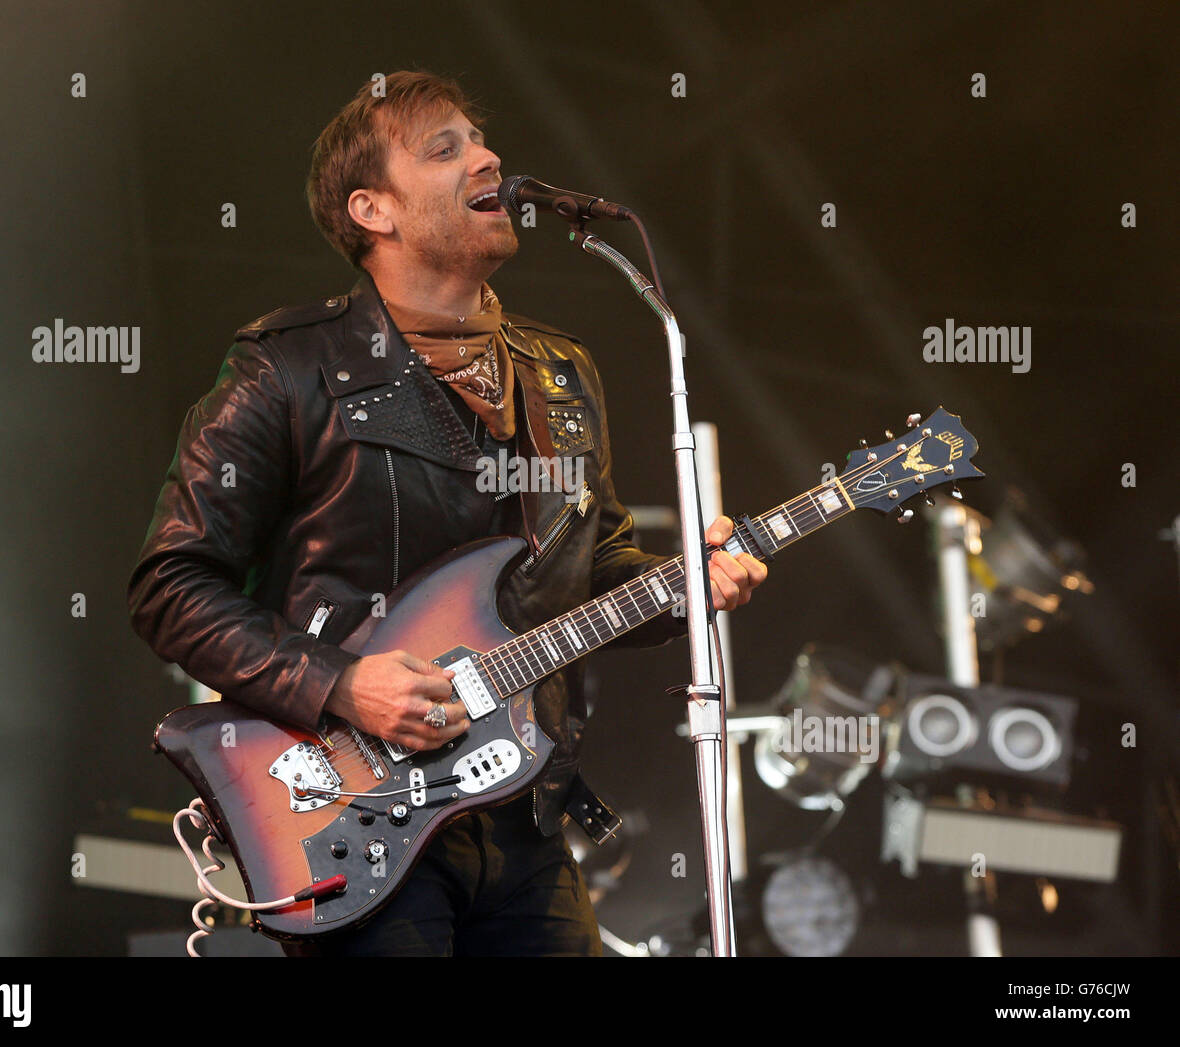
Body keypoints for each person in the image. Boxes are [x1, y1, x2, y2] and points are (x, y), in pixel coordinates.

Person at [127, 70, 766, 957]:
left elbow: (593, 574)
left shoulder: (559, 372)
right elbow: (169, 583)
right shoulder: (290, 368)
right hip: (353, 807)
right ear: (372, 211)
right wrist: (339, 683)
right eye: (445, 147)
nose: (488, 155)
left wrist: (686, 583)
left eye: (479, 139)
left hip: (523, 809)